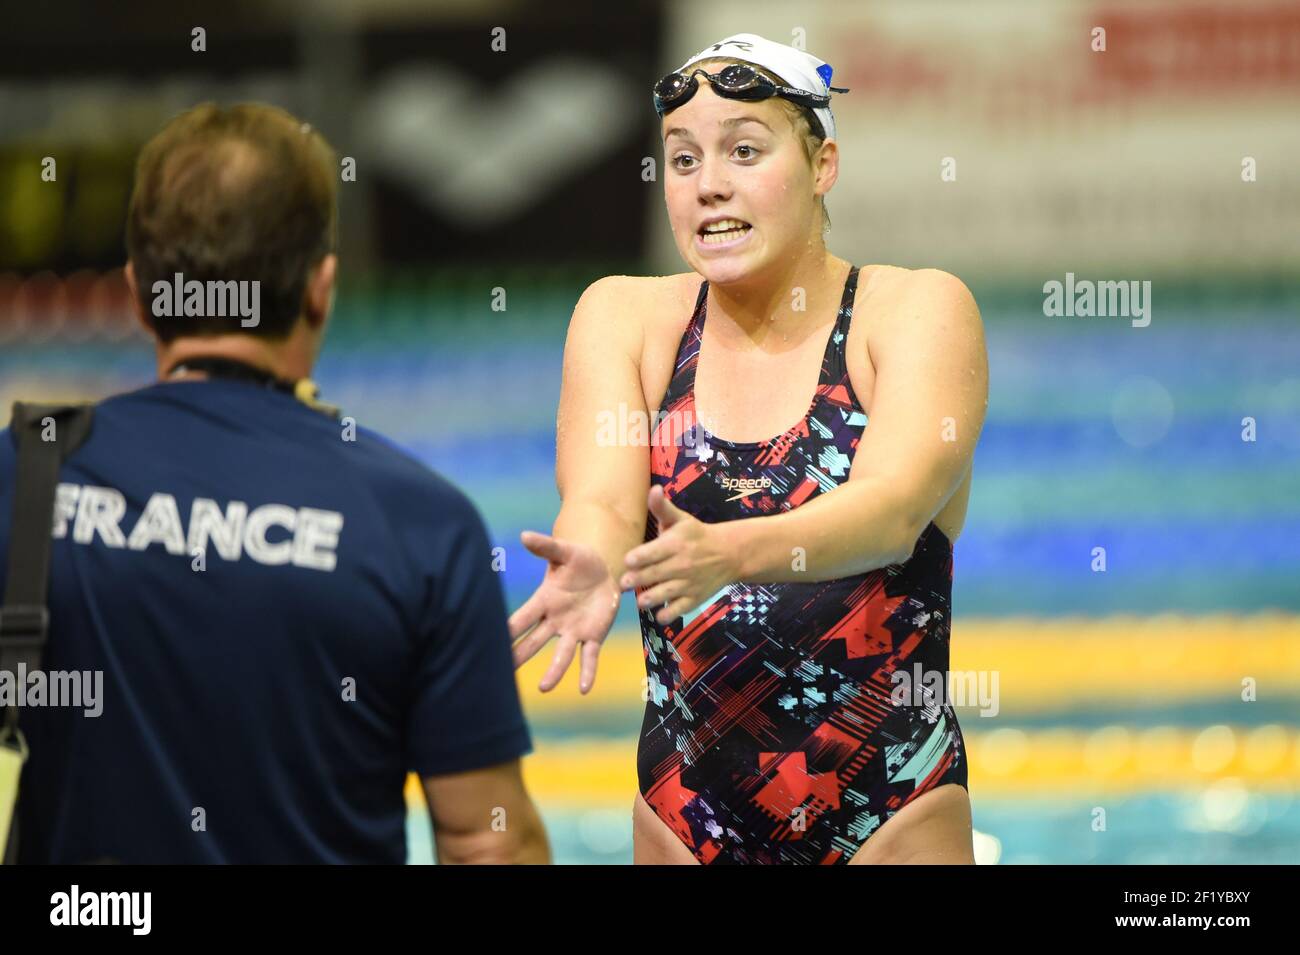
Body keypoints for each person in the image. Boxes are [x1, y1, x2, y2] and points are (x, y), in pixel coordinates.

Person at [0, 103, 548, 864]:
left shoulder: (27, 476)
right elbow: (490, 843)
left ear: (136, 292)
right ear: (320, 288)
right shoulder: (422, 523)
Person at [510, 34, 987, 864]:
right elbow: (603, 500)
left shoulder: (913, 311)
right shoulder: (626, 318)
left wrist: (726, 552)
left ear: (822, 163)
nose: (710, 185)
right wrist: (589, 554)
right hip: (683, 818)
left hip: (890, 818)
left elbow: (892, 512)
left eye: (743, 151)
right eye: (683, 159)